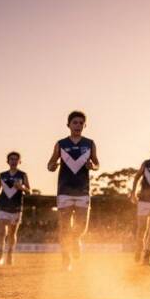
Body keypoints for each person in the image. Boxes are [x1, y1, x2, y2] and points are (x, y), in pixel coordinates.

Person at [47, 111, 98, 271]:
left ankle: (76, 240)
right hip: (64, 191)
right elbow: (50, 164)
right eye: (74, 122)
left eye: (81, 123)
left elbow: (96, 164)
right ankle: (66, 260)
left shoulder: (90, 143)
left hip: (82, 191)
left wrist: (92, 166)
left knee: (81, 227)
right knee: (64, 228)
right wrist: (52, 166)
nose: (78, 125)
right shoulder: (61, 144)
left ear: (84, 125)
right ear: (68, 125)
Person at [0, 151, 30, 266]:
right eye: (11, 159)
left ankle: (10, 254)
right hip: (3, 206)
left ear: (19, 161)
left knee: (12, 234)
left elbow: (29, 191)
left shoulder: (23, 175)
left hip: (16, 208)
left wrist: (21, 187)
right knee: (1, 232)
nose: (13, 161)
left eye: (16, 159)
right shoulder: (2, 175)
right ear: (8, 161)